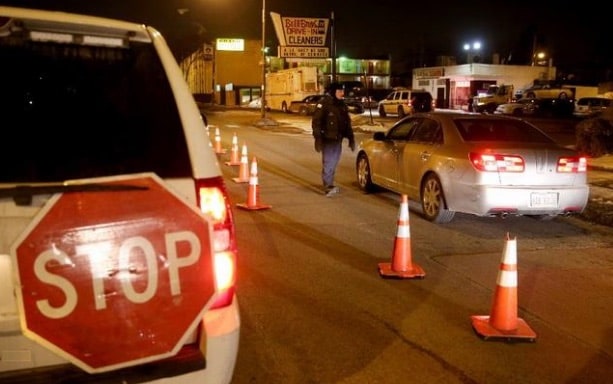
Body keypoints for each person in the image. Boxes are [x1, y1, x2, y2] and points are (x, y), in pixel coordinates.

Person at [312, 82, 356, 197]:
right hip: (328, 138)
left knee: (333, 162)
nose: (342, 93)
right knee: (329, 162)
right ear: (333, 92)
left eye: (343, 91)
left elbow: (346, 123)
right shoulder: (324, 104)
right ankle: (328, 186)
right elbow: (316, 122)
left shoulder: (341, 105)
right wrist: (318, 138)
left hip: (338, 139)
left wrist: (351, 138)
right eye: (339, 91)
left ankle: (329, 183)